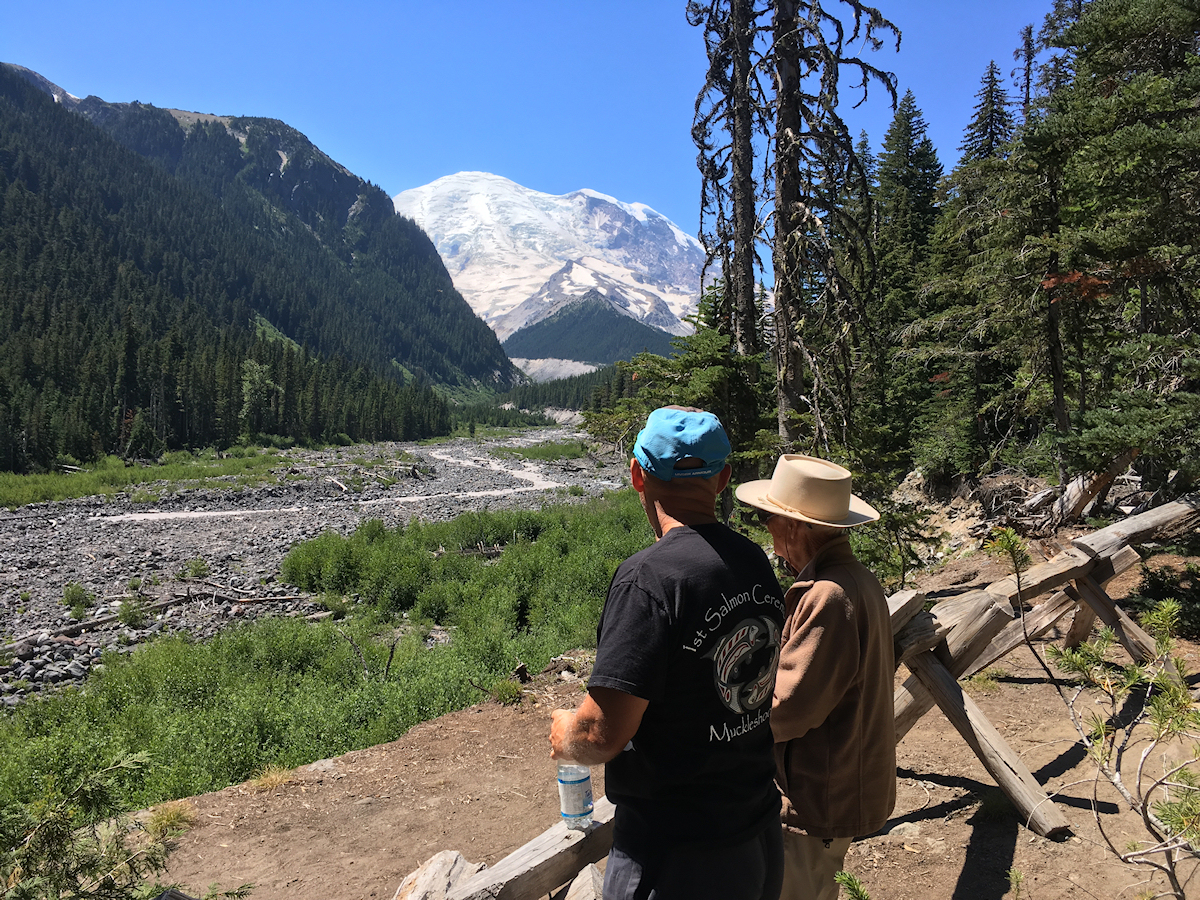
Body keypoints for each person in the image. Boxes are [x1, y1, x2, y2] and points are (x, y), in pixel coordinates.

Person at [550, 406, 787, 900]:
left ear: (638, 474)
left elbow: (601, 734)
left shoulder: (649, 580)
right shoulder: (753, 560)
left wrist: (565, 733)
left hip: (676, 856)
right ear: (722, 478)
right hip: (758, 831)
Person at [735, 454, 896, 900]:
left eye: (770, 518)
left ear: (797, 526)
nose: (767, 527)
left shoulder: (827, 596)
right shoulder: (855, 580)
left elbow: (789, 708)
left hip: (816, 793)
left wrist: (725, 727)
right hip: (833, 783)